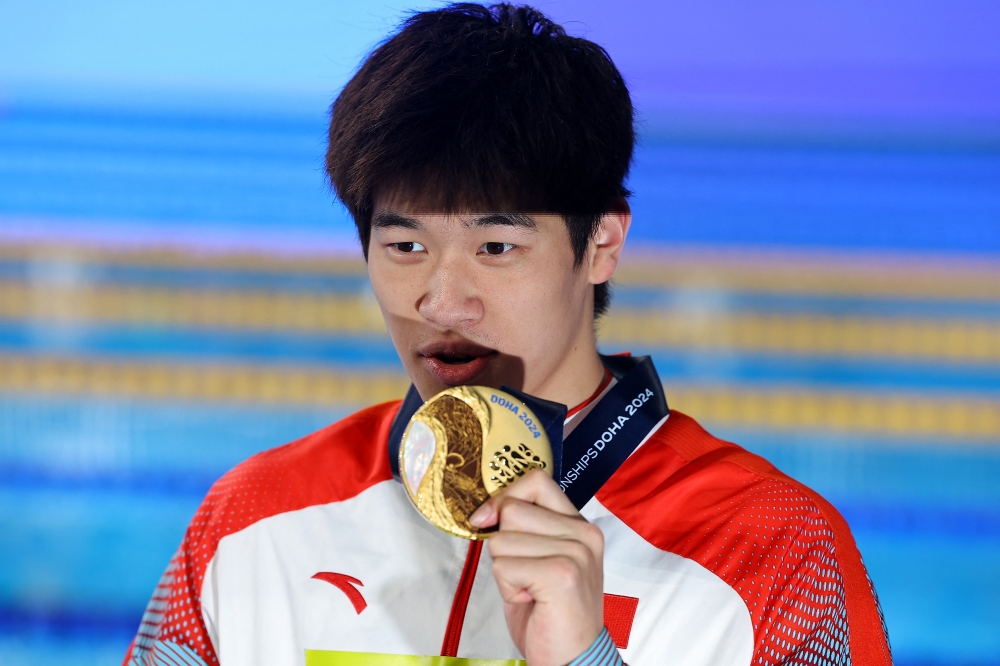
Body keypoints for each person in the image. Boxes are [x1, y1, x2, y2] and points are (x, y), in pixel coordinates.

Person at [123, 4, 892, 666]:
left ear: (602, 244)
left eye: (496, 248)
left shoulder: (772, 549)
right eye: (405, 247)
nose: (442, 301)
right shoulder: (253, 517)